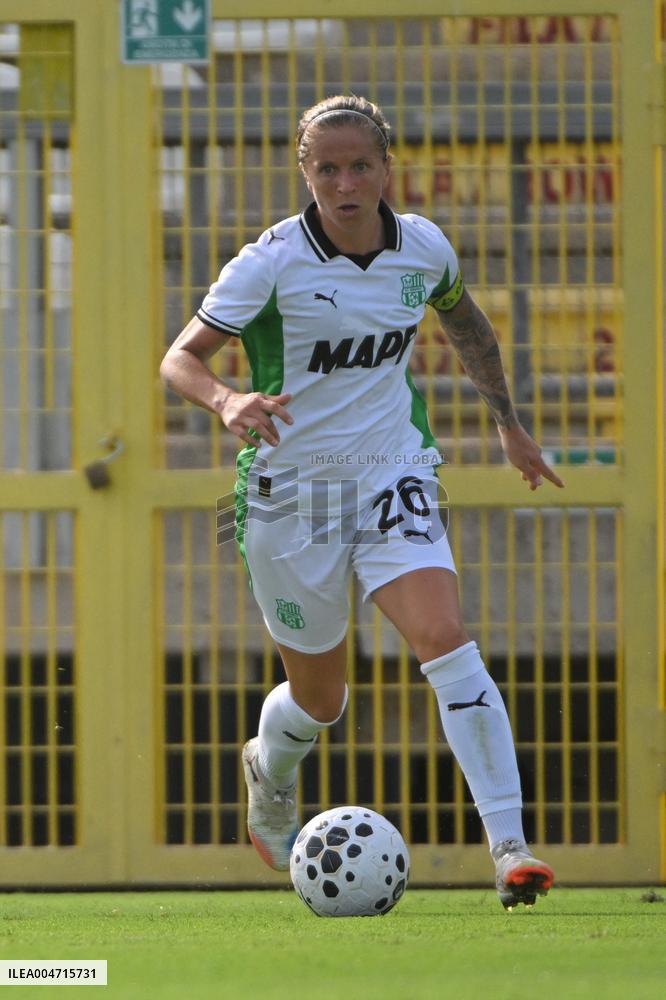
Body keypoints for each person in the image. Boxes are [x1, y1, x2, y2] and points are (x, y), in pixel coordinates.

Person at [160, 94, 564, 911]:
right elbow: (180, 358)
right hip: (288, 493)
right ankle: (270, 769)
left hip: (393, 473)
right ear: (304, 172)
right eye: (326, 168)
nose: (344, 182)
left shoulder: (422, 247)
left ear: (387, 167)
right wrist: (226, 400)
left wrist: (511, 426)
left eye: (360, 165)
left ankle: (511, 850)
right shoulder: (269, 262)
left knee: (445, 638)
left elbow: (470, 327)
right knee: (322, 701)